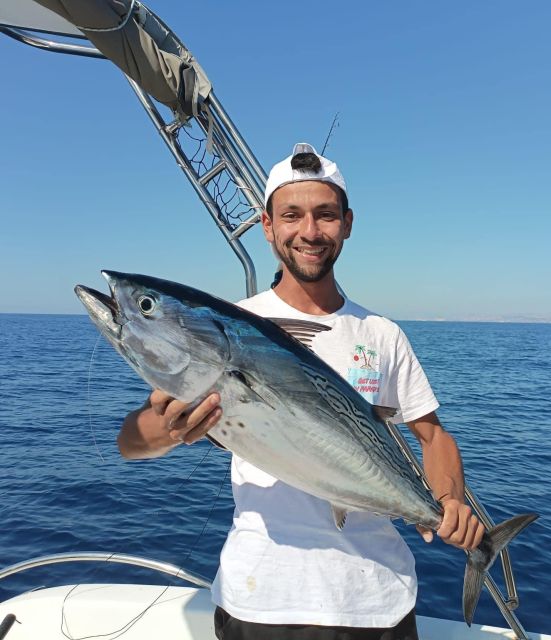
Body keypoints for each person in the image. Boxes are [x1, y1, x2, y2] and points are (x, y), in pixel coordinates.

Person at [118, 143, 485, 640]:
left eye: (325, 215)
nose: (309, 232)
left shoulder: (381, 334)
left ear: (347, 223)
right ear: (268, 226)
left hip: (378, 603)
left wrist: (446, 501)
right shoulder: (226, 325)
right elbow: (130, 442)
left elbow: (433, 437)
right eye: (291, 215)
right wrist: (166, 430)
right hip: (261, 601)